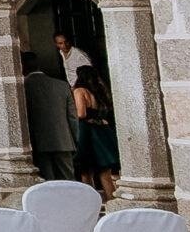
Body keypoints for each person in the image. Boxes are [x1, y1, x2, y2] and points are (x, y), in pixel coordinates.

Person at [21, 51, 77, 183]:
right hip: (63, 141)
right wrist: (74, 139)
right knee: (69, 181)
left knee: (47, 183)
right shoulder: (62, 85)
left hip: (37, 143)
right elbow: (72, 117)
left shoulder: (22, 87)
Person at [71, 63, 120, 201]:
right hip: (102, 130)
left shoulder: (80, 91)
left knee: (86, 171)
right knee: (105, 173)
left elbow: (81, 113)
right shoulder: (99, 91)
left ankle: (91, 202)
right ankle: (113, 202)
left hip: (87, 132)